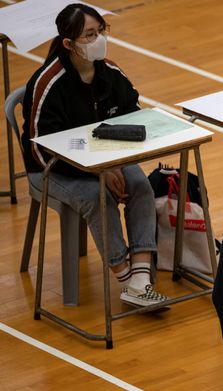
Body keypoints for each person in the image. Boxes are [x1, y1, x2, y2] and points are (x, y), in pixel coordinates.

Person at [21, 3, 166, 307]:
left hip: (107, 158)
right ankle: (125, 277)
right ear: (68, 44)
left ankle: (141, 279)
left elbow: (133, 117)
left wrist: (115, 163)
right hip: (53, 168)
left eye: (100, 31)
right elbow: (39, 148)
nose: (98, 39)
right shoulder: (49, 84)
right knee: (97, 196)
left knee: (140, 185)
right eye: (89, 34)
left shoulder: (110, 73)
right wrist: (96, 171)